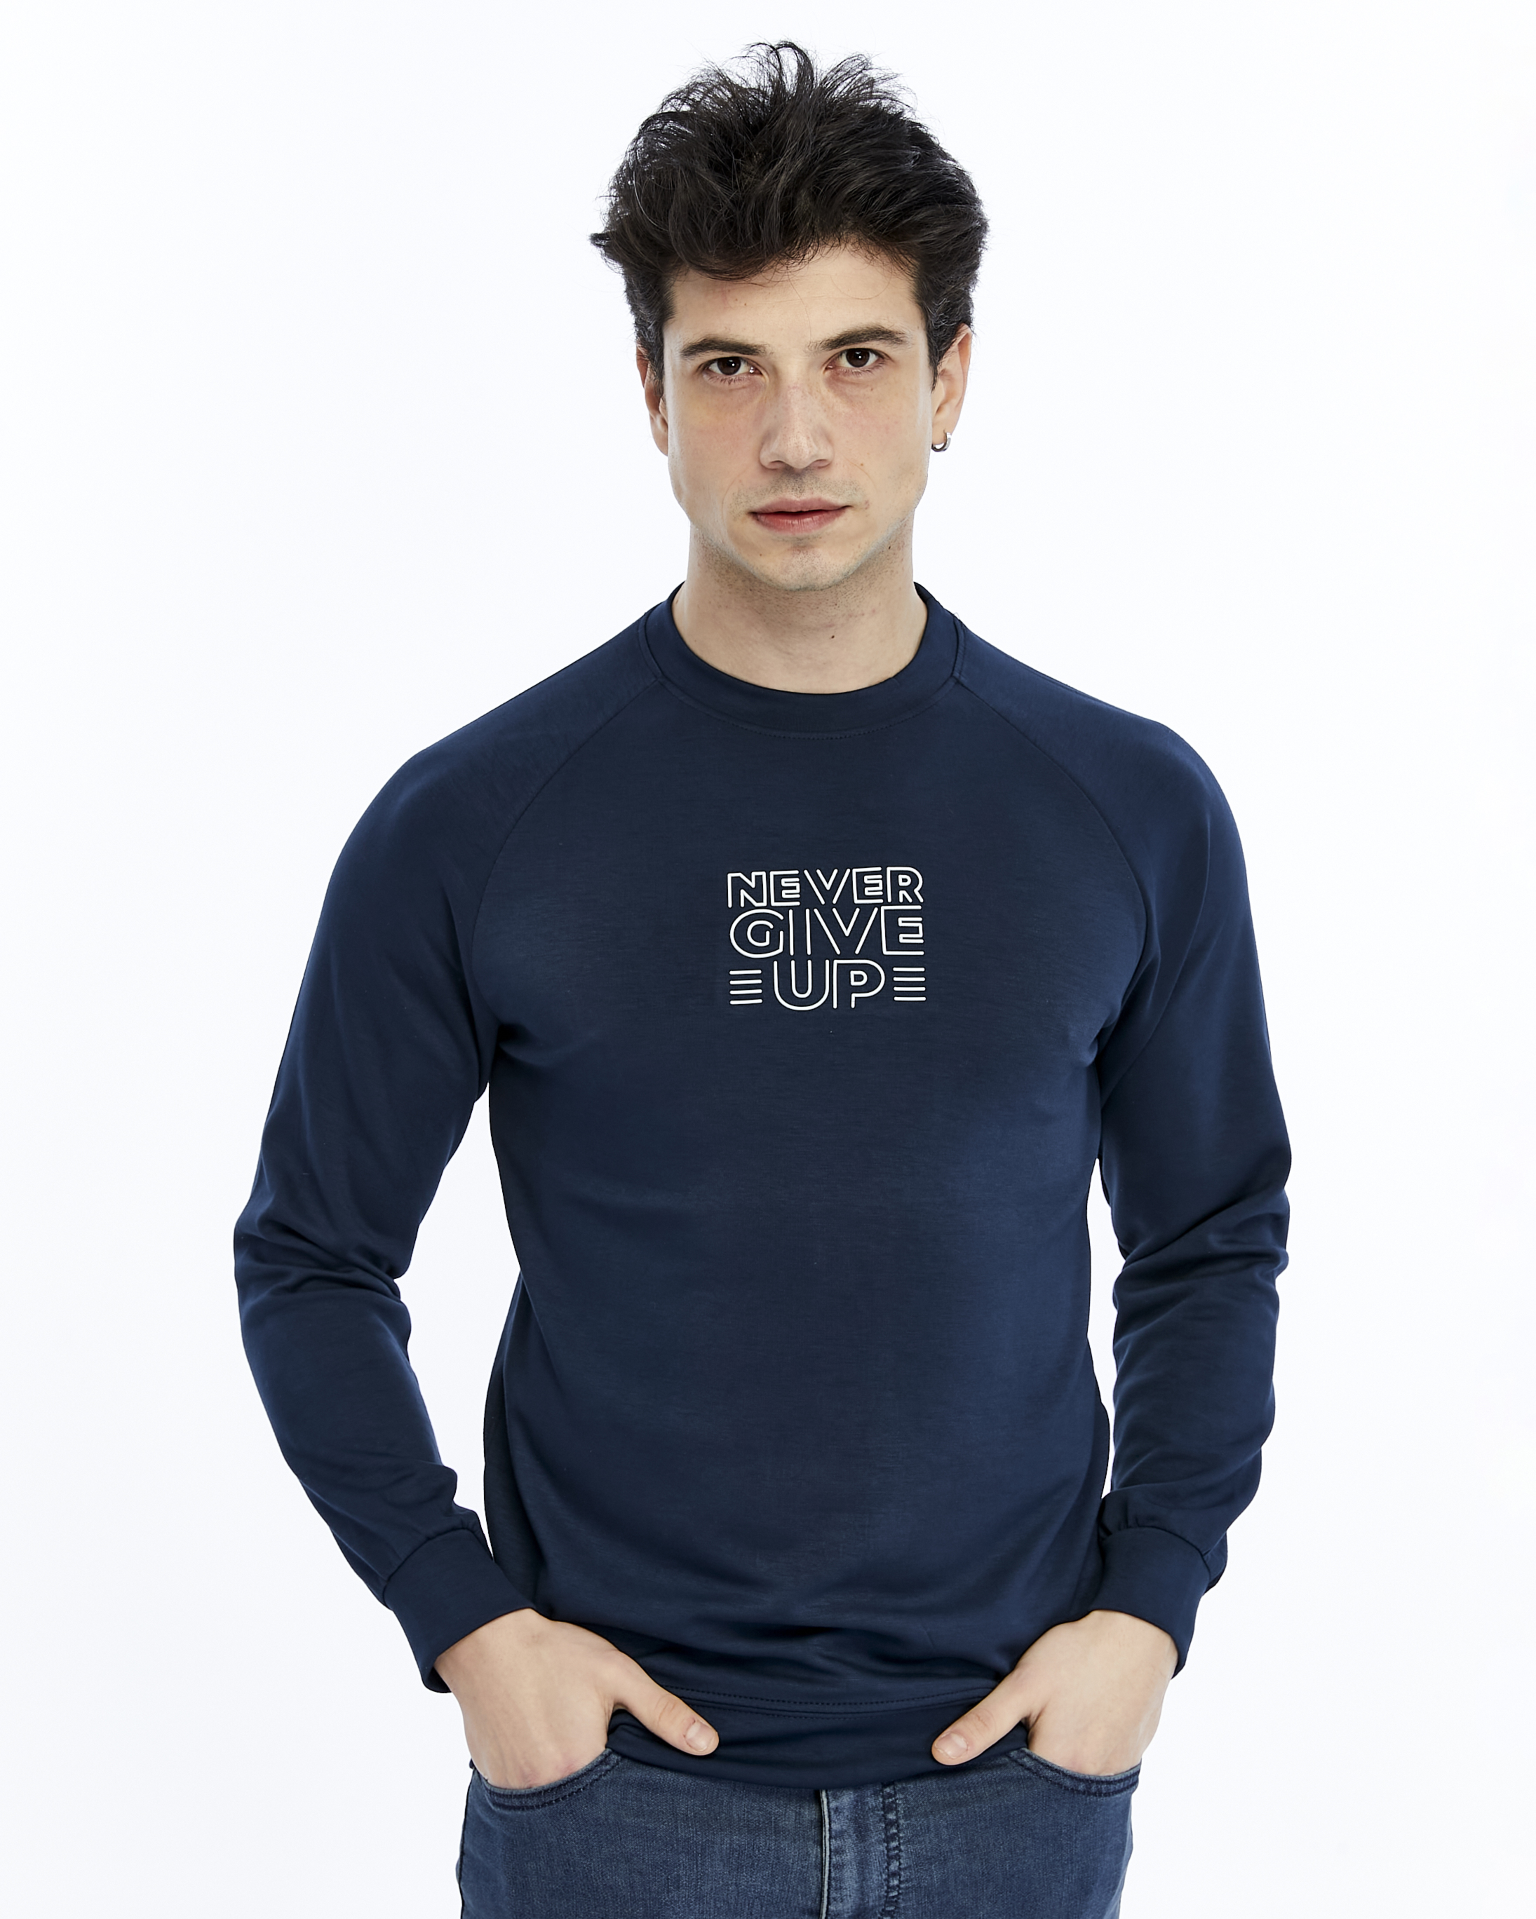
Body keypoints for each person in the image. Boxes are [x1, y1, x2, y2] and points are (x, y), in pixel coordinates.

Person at [235, 42, 1289, 1919]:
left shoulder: (1128, 807)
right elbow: (312, 1256)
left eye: (856, 358)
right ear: (651, 393)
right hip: (615, 1804)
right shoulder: (475, 821)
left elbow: (1210, 1239)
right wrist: (467, 1624)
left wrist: (1149, 1611)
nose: (796, 437)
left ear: (950, 379)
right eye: (729, 367)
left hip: (1016, 1787)